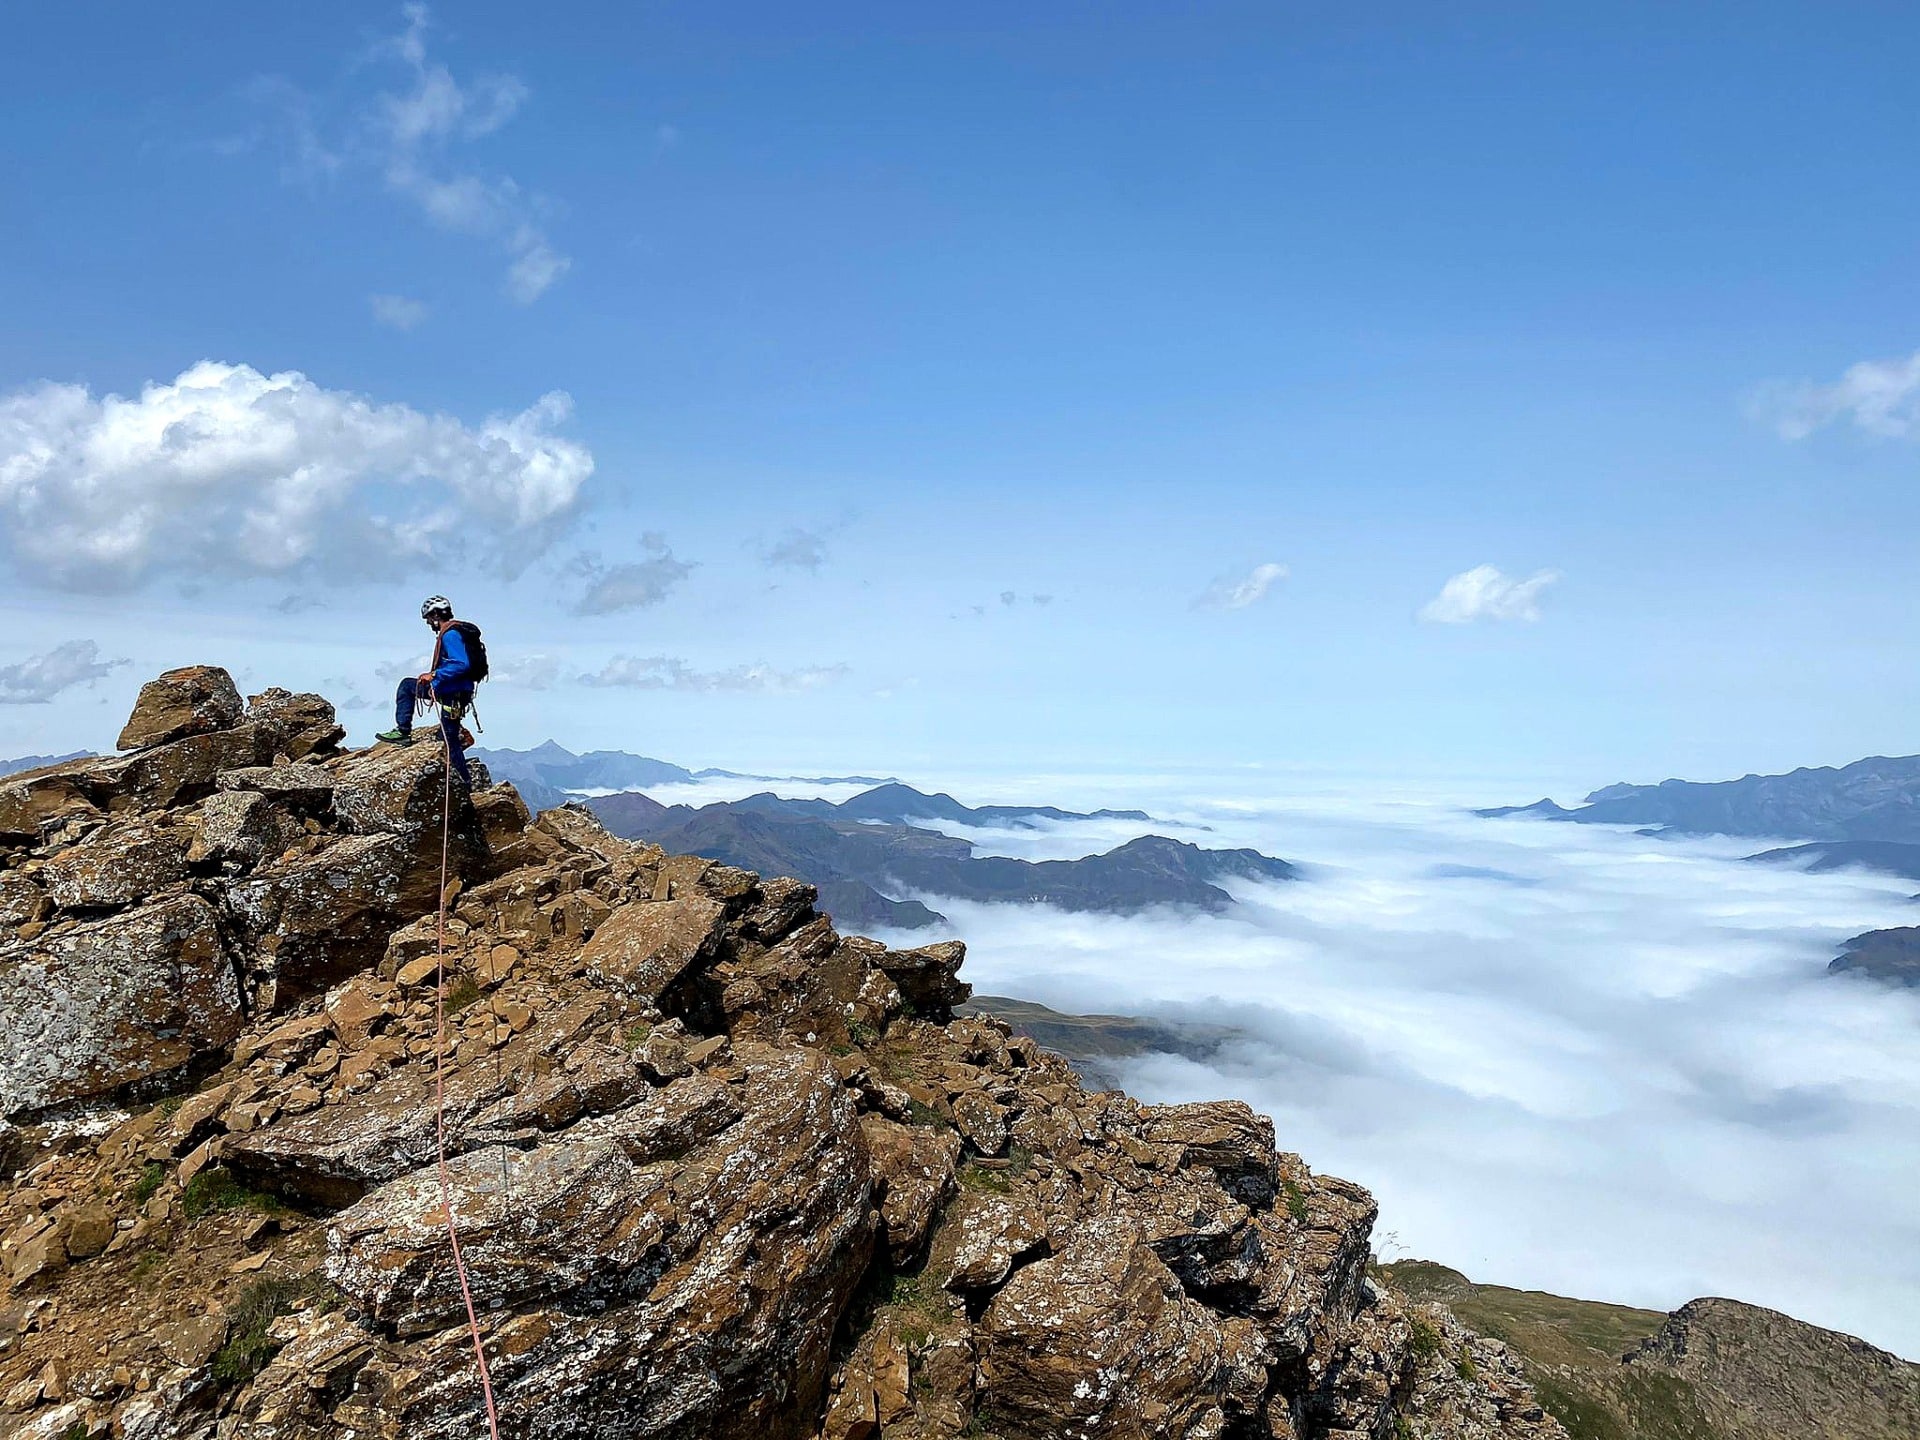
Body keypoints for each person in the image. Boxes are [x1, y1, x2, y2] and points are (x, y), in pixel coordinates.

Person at [376, 595, 475, 783]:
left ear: (436, 615)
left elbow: (461, 664)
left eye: (429, 618)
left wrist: (435, 675)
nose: (429, 623)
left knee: (449, 739)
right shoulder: (454, 632)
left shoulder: (451, 634)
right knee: (449, 738)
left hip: (451, 692)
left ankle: (464, 783)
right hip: (454, 691)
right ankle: (465, 782)